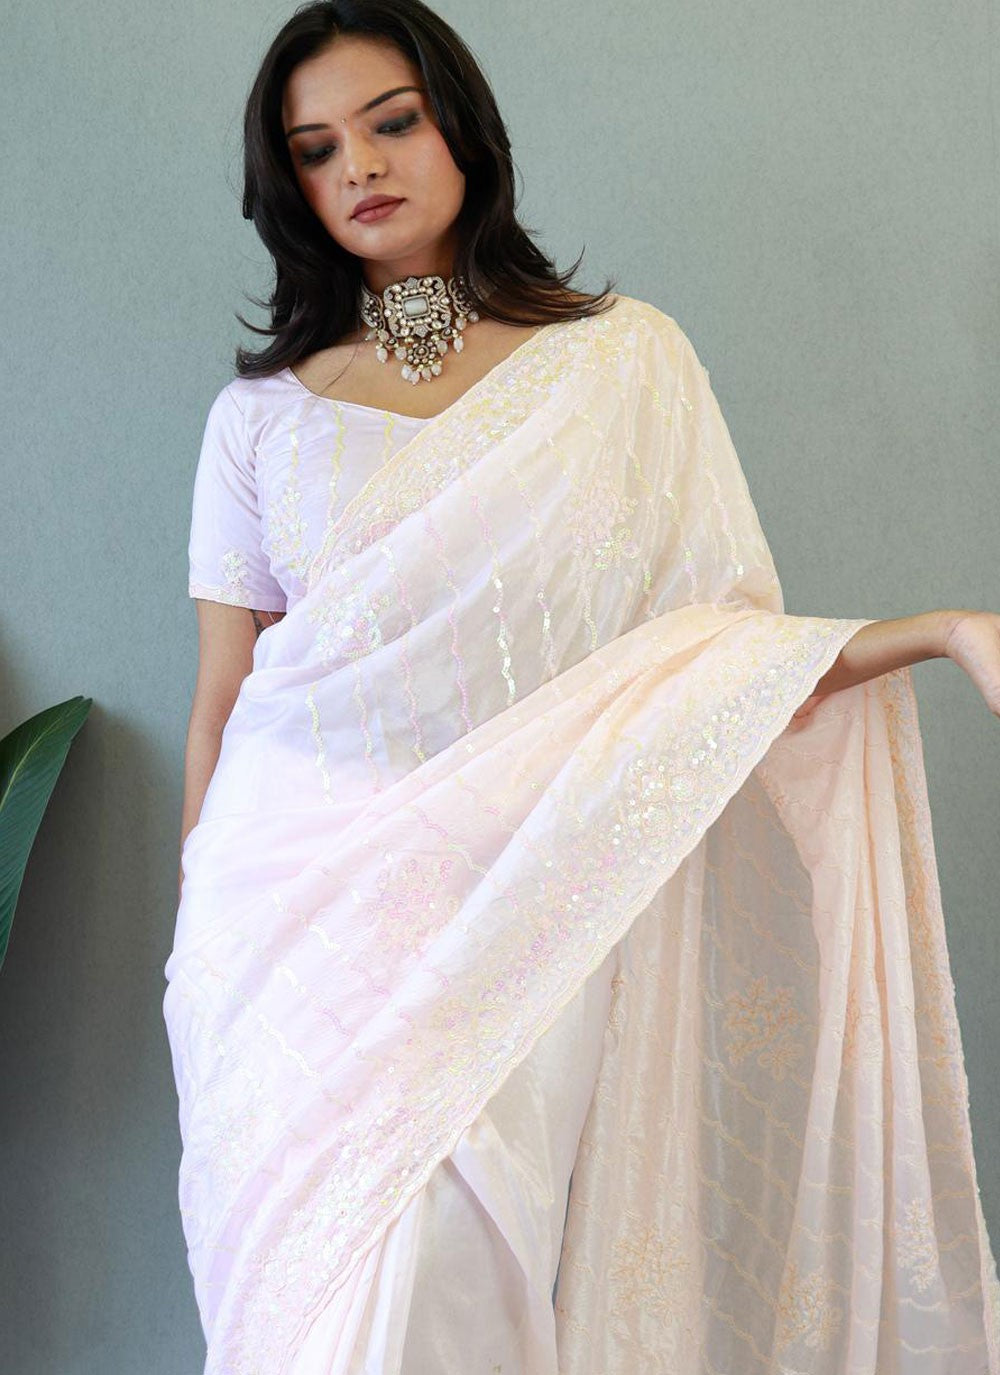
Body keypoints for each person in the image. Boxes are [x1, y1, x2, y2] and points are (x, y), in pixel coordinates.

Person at [162, 2, 1000, 1371]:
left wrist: (940, 631)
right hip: (283, 930)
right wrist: (199, 955)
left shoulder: (621, 363)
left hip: (524, 903)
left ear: (462, 129)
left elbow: (713, 664)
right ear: (289, 185)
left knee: (453, 1282)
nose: (359, 166)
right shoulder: (260, 419)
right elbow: (222, 697)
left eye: (391, 122)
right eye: (316, 149)